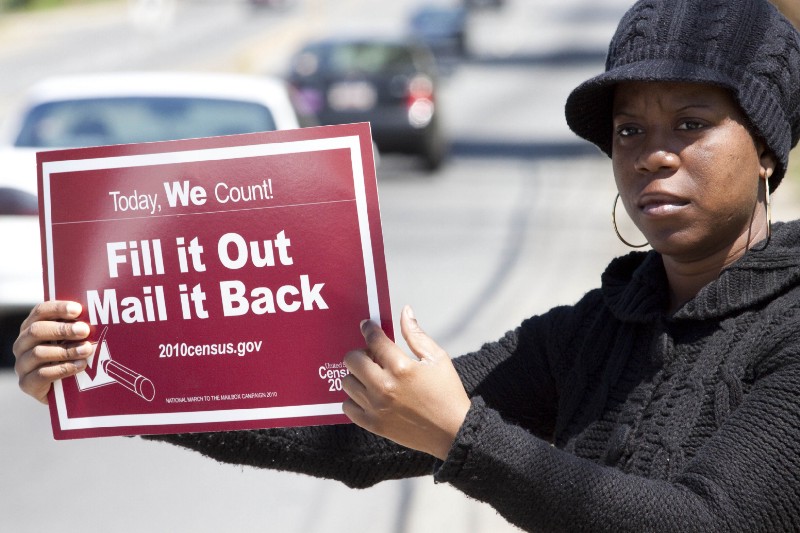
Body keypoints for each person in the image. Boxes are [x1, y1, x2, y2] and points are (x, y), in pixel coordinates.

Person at [13, 0, 800, 530]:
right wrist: (113, 372)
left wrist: (461, 433)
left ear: (766, 147)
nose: (652, 155)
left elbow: (707, 519)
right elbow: (359, 432)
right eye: (629, 131)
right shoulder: (591, 331)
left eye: (692, 123)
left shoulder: (790, 323)